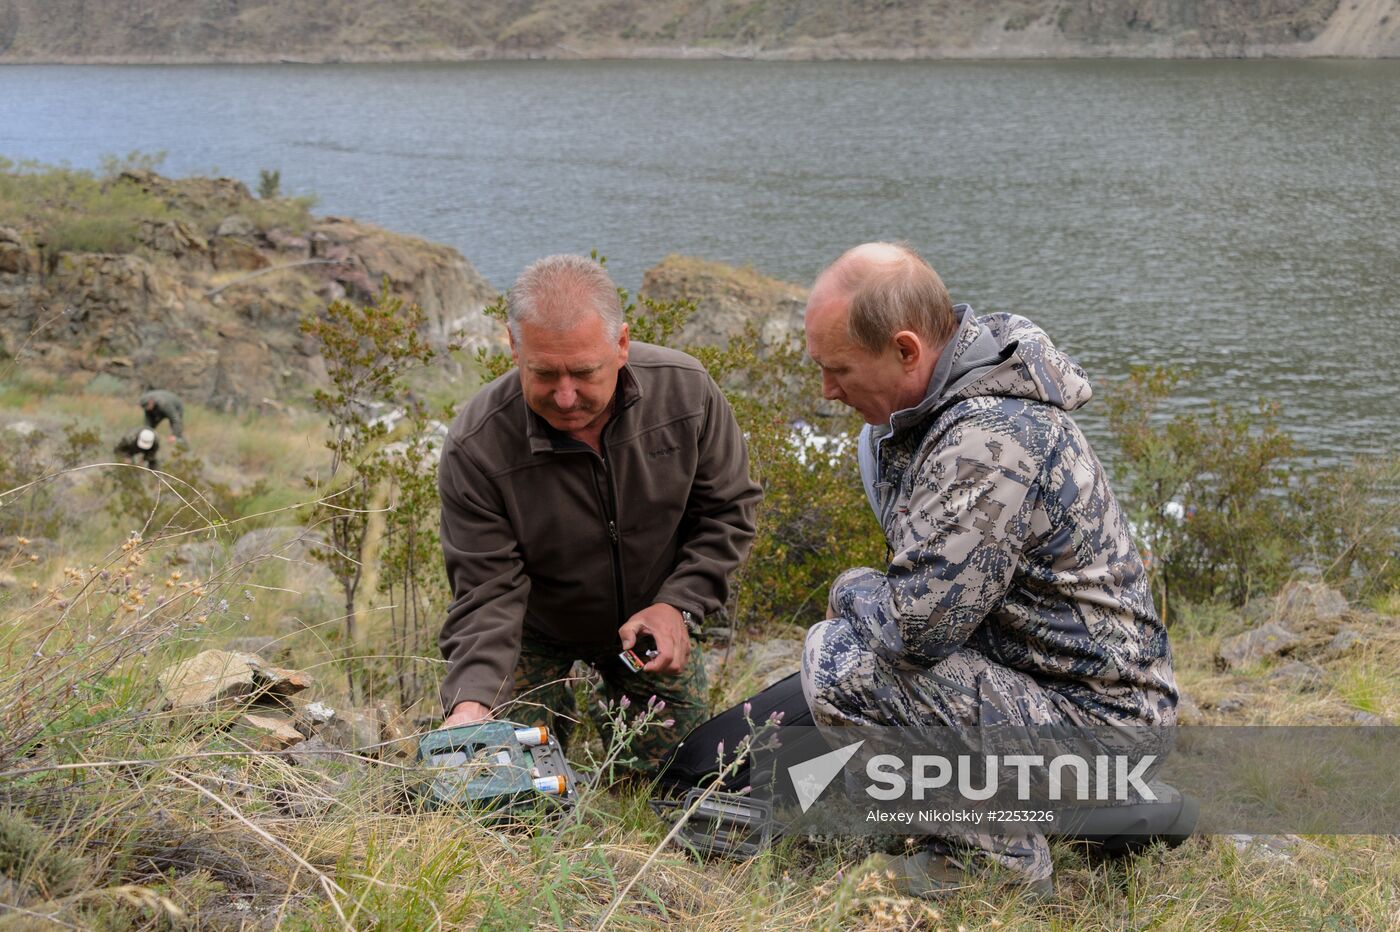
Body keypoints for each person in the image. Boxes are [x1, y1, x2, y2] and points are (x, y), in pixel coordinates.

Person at [801, 243, 1178, 896]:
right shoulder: (939, 416)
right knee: (850, 664)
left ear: (906, 351)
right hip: (1065, 694)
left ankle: (992, 864)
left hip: (1104, 730)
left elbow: (914, 633)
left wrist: (849, 590)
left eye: (839, 370)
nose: (828, 390)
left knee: (836, 659)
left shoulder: (986, 443)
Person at [436, 254, 762, 773]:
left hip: (650, 622)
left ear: (622, 344)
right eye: (543, 373)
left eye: (585, 372)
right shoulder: (477, 446)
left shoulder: (686, 393)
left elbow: (728, 510)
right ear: (514, 348)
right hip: (532, 631)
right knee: (508, 779)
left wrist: (679, 604)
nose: (565, 397)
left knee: (678, 777)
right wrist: (472, 699)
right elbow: (485, 589)